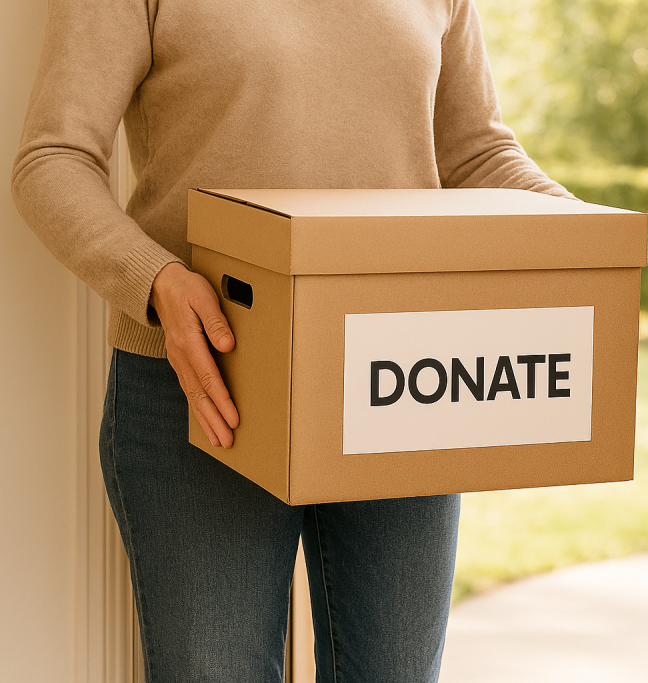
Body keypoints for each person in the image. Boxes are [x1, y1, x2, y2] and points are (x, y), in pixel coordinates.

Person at [11, 0, 572, 680]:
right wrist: (155, 279)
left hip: (399, 381)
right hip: (206, 388)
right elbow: (53, 159)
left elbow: (477, 154)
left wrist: (586, 236)